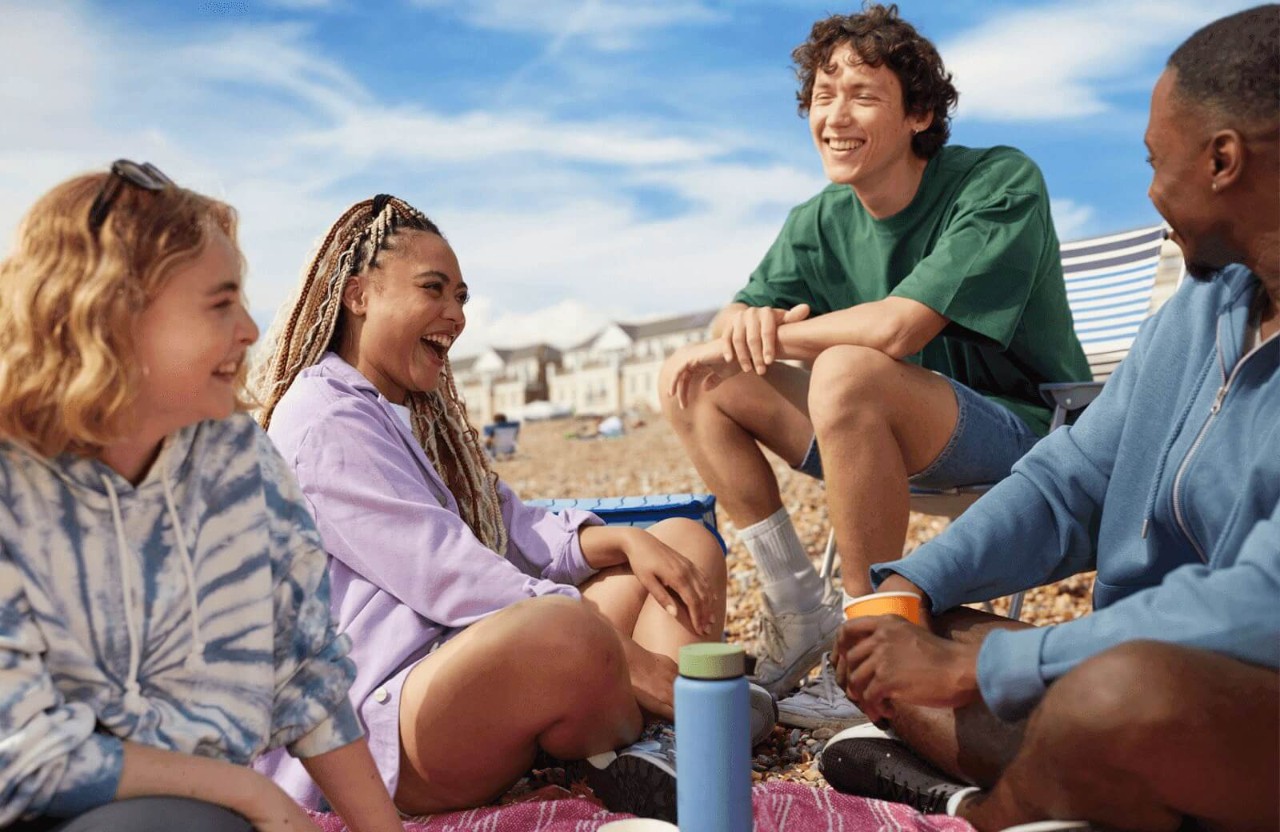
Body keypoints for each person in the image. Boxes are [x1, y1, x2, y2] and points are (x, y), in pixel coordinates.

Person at [819, 6, 1280, 830]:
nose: (1148, 190)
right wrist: (909, 589)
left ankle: (993, 809)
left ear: (1222, 160)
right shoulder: (1207, 303)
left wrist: (1004, 662)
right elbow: (1073, 476)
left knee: (1114, 696)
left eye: (1154, 161)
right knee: (903, 640)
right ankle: (1072, 793)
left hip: (1229, 692)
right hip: (1142, 679)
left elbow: (1262, 603)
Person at [251, 195, 776, 821]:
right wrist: (631, 660)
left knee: (682, 544)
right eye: (434, 290)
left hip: (458, 663)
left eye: (462, 298)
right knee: (570, 626)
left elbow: (512, 529)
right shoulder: (322, 418)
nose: (455, 315)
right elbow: (446, 570)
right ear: (358, 295)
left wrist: (625, 543)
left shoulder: (419, 419)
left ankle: (655, 747)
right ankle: (667, 711)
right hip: (381, 722)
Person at [659, 2, 1090, 730]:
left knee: (847, 368)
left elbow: (897, 326)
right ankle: (799, 606)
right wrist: (744, 324)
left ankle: (866, 654)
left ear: (919, 113)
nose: (836, 115)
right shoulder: (819, 219)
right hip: (879, 435)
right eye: (823, 96)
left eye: (863, 95)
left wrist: (786, 336)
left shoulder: (998, 181)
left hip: (1026, 435)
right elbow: (730, 321)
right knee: (696, 375)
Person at [0, 163, 403, 831]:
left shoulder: (239, 460)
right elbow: (20, 754)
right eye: (220, 303)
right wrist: (251, 794)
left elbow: (305, 675)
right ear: (110, 315)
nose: (250, 329)